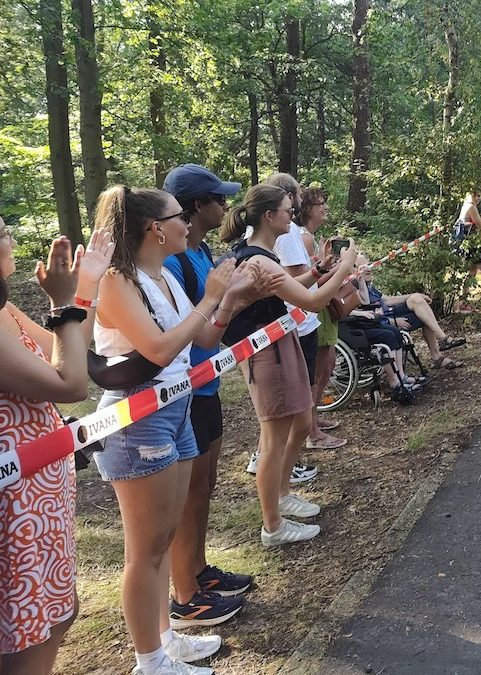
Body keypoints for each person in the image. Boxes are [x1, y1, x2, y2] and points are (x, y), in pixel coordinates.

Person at [92, 185, 260, 675]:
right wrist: (211, 295)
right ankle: (149, 662)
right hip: (138, 419)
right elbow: (160, 351)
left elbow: (203, 336)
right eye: (179, 216)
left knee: (164, 538)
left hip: (178, 406)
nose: (188, 223)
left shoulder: (162, 273)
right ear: (155, 229)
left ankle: (166, 640)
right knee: (144, 550)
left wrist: (228, 300)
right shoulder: (116, 281)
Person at [1, 223, 113, 675]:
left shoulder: (5, 307)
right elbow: (70, 385)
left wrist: (83, 291)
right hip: (15, 507)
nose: (8, 237)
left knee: (58, 617)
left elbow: (67, 351)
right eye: (0, 231)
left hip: (39, 495)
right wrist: (63, 303)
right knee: (28, 635)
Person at [220, 183, 357, 548]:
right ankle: (273, 526)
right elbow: (311, 304)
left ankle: (281, 496)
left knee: (298, 423)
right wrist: (344, 268)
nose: (292, 215)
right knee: (273, 440)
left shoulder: (262, 256)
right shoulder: (258, 259)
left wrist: (320, 269)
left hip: (281, 344)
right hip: (267, 354)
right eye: (286, 210)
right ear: (269, 216)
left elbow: (286, 290)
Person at [162, 164, 256, 631]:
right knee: (186, 494)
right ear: (197, 206)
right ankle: (185, 597)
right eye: (218, 199)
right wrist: (228, 297)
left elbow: (214, 323)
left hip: (208, 384)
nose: (226, 207)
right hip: (185, 390)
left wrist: (236, 294)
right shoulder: (172, 263)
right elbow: (193, 336)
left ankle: (199, 571)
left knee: (203, 487)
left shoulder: (200, 253)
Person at [295, 185, 347, 449]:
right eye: (320, 204)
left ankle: (313, 418)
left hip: (319, 306)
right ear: (306, 209)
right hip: (314, 310)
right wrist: (343, 269)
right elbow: (305, 281)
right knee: (319, 370)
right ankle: (311, 430)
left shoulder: (309, 238)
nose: (325, 207)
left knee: (325, 366)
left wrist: (329, 264)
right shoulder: (302, 238)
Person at [357, 259, 467, 370]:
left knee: (416, 300)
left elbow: (388, 300)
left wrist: (416, 294)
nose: (369, 269)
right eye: (364, 267)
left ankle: (442, 340)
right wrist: (393, 321)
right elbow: (363, 315)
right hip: (384, 322)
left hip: (390, 313)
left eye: (369, 265)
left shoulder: (369, 287)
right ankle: (439, 353)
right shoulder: (356, 289)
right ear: (355, 270)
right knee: (424, 317)